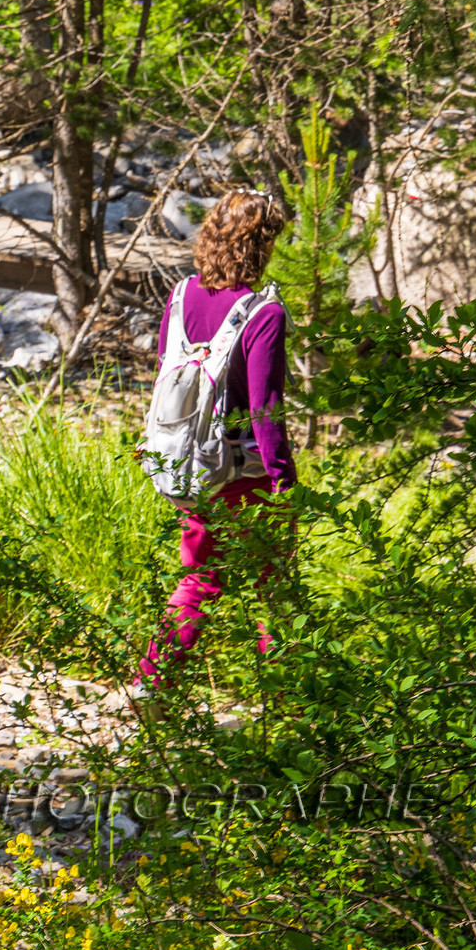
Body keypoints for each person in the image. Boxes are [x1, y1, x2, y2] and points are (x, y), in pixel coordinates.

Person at [140, 188, 295, 685]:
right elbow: (266, 410)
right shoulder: (263, 313)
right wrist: (284, 483)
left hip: (190, 466)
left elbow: (166, 371)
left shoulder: (180, 295)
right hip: (245, 474)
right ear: (262, 246)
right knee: (275, 590)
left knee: (200, 580)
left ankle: (153, 686)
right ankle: (288, 700)